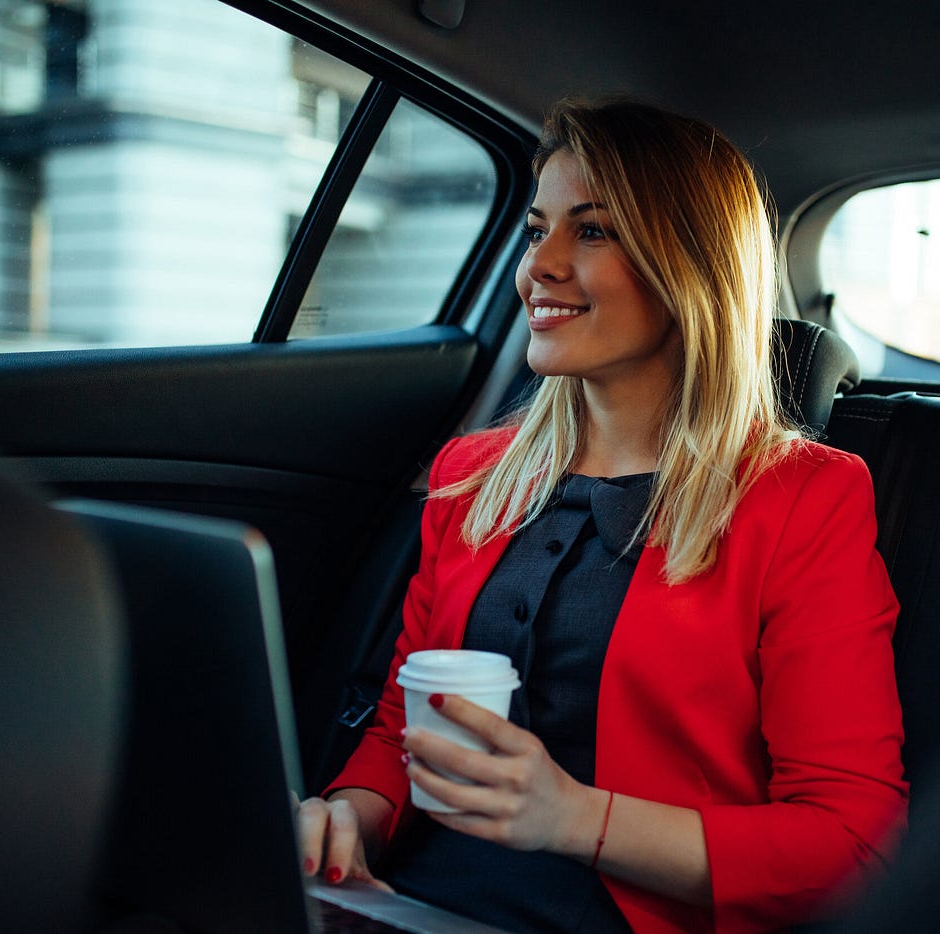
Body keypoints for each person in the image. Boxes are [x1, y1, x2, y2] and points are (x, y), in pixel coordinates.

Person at [295, 98, 907, 933]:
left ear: (688, 266)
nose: (537, 266)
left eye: (591, 231)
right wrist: (351, 814)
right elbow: (409, 726)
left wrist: (578, 818)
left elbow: (850, 845)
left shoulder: (803, 497)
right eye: (535, 228)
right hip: (405, 904)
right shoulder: (472, 477)